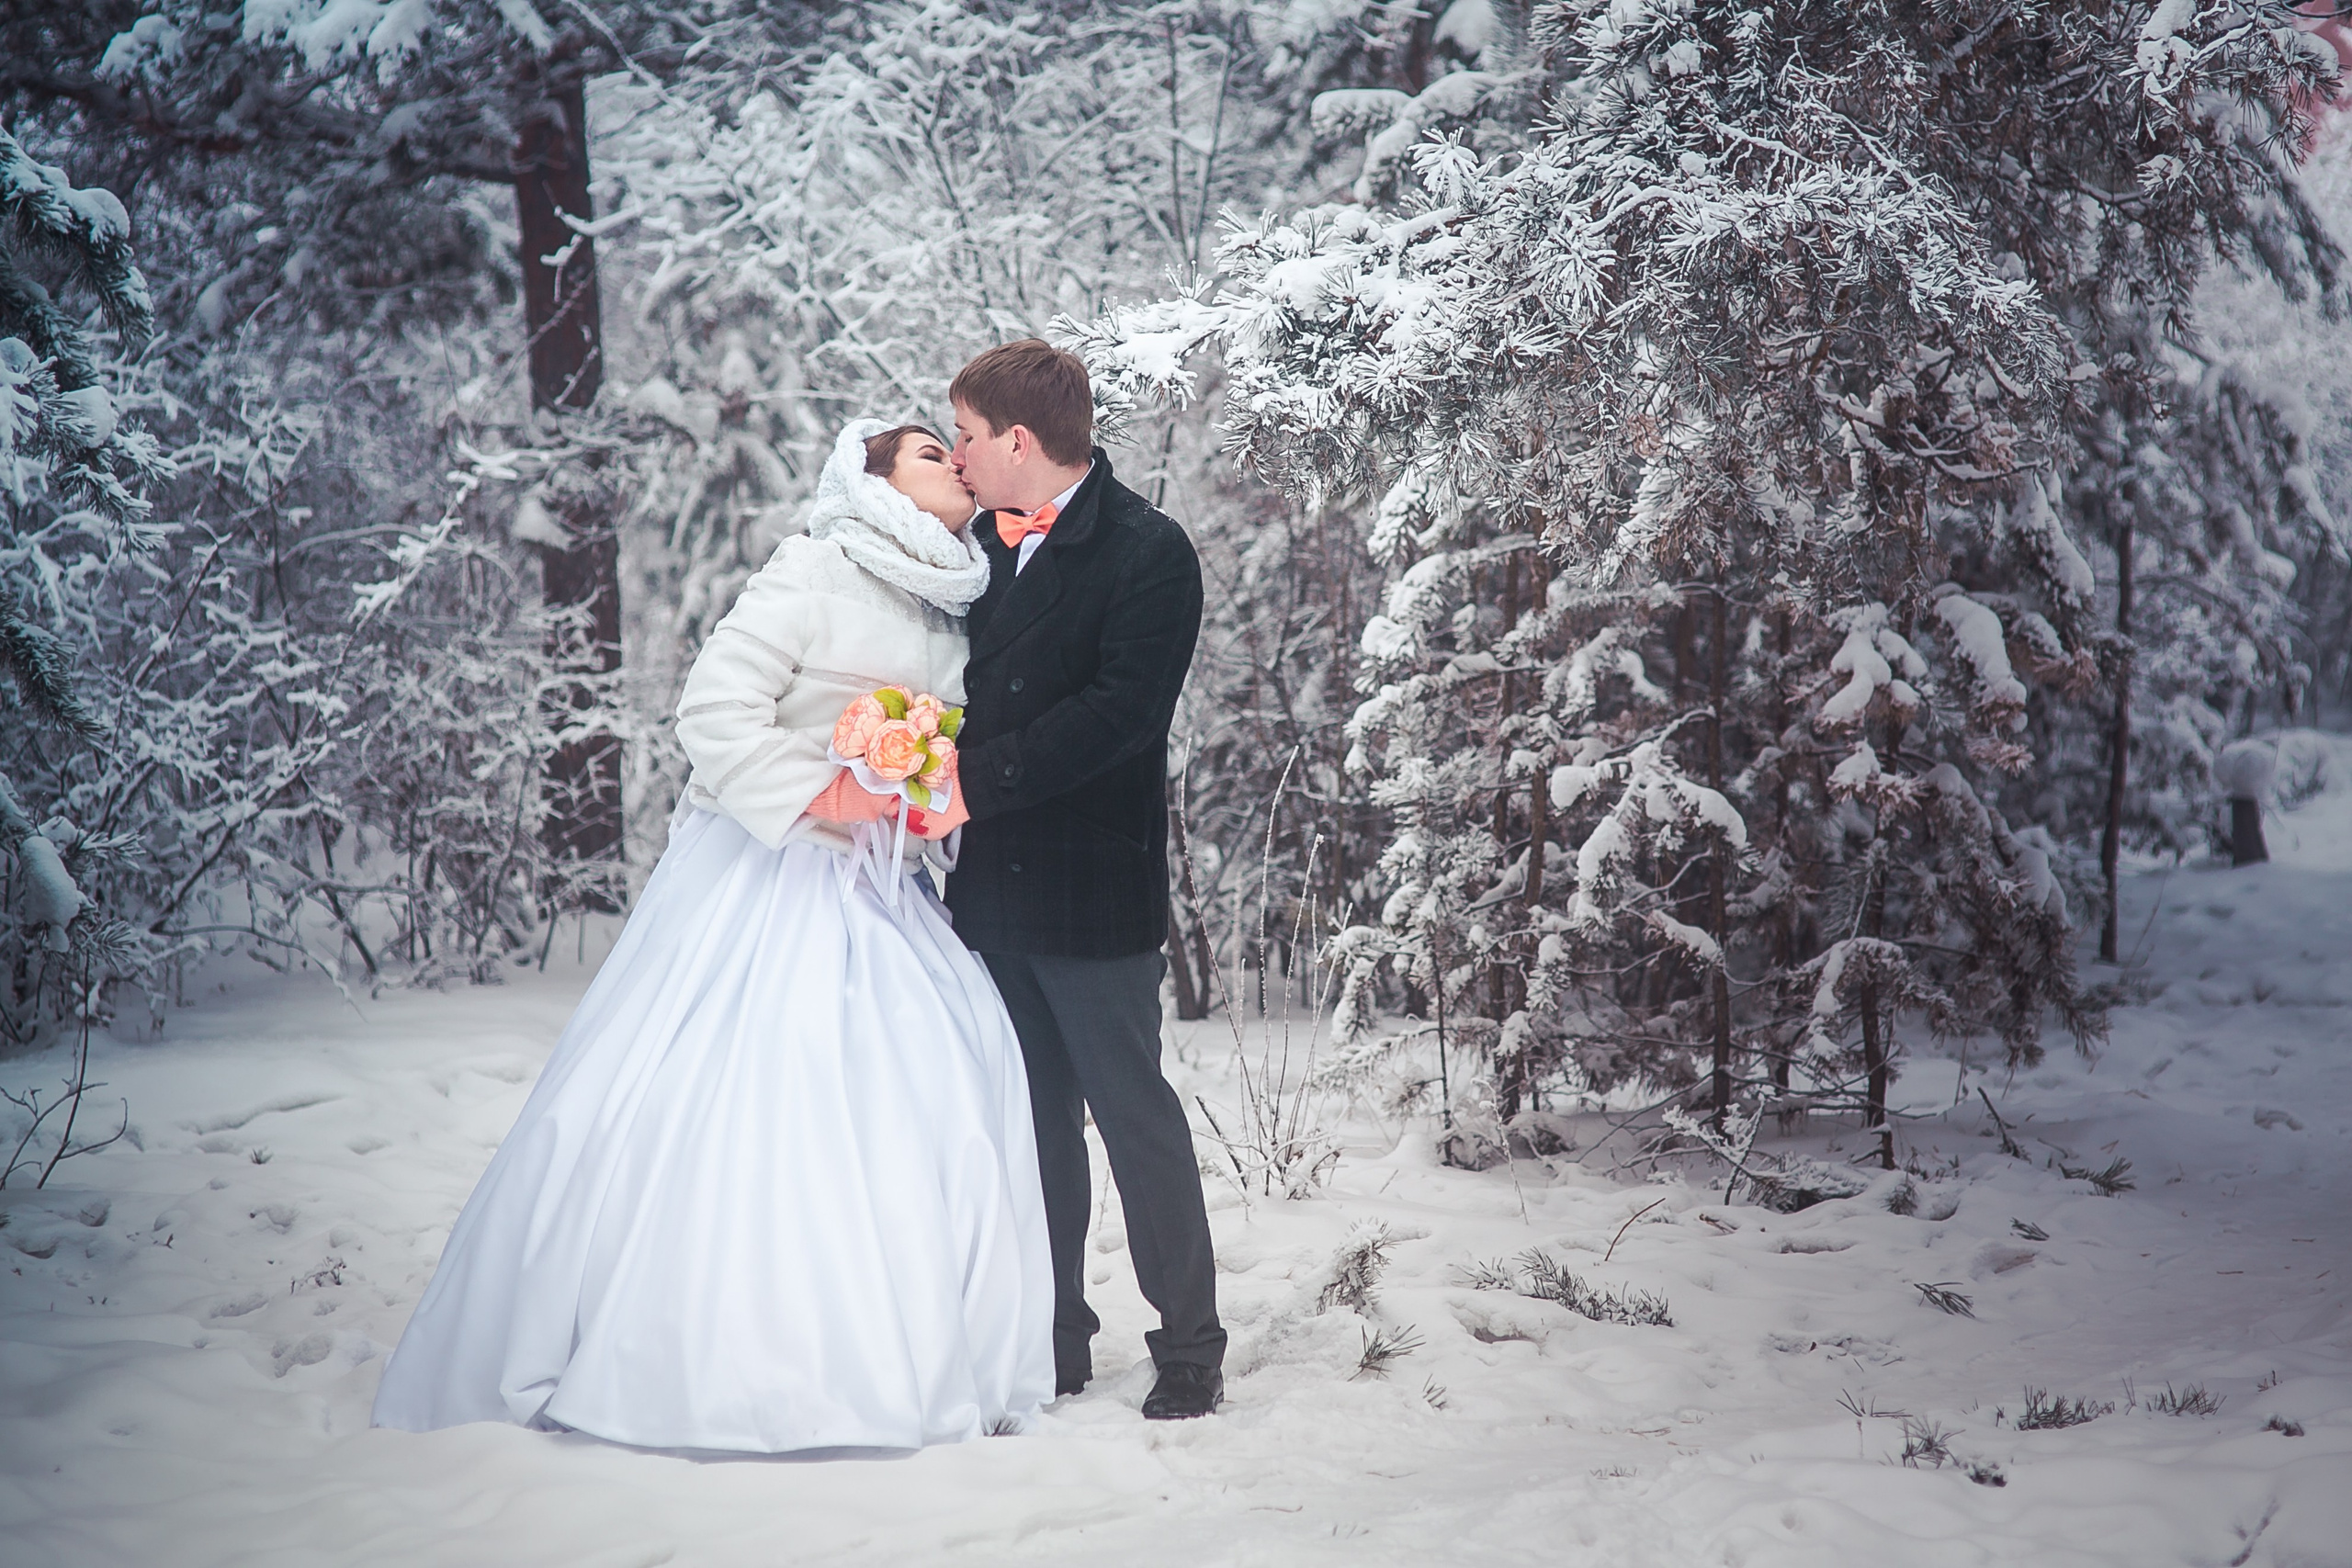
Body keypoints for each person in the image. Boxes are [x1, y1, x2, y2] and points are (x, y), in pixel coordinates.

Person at [368, 422, 1055, 1455]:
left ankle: (908, 1348)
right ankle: (697, 1356)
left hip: (884, 890)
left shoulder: (954, 596)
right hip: (772, 874)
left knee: (945, 1075)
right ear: (870, 486)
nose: (955, 465)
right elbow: (715, 708)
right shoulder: (814, 565)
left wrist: (916, 789)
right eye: (926, 454)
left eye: (950, 450)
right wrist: (823, 786)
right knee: (760, 1094)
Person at [944, 339, 1226, 1420]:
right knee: (1030, 1125)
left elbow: (1120, 717)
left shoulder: (1149, 552)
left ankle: (1191, 1344)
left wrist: (970, 781)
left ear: (1018, 439)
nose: (958, 454)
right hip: (986, 897)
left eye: (966, 435)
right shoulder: (971, 545)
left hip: (1092, 894)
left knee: (1131, 1114)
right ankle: (1054, 1334)